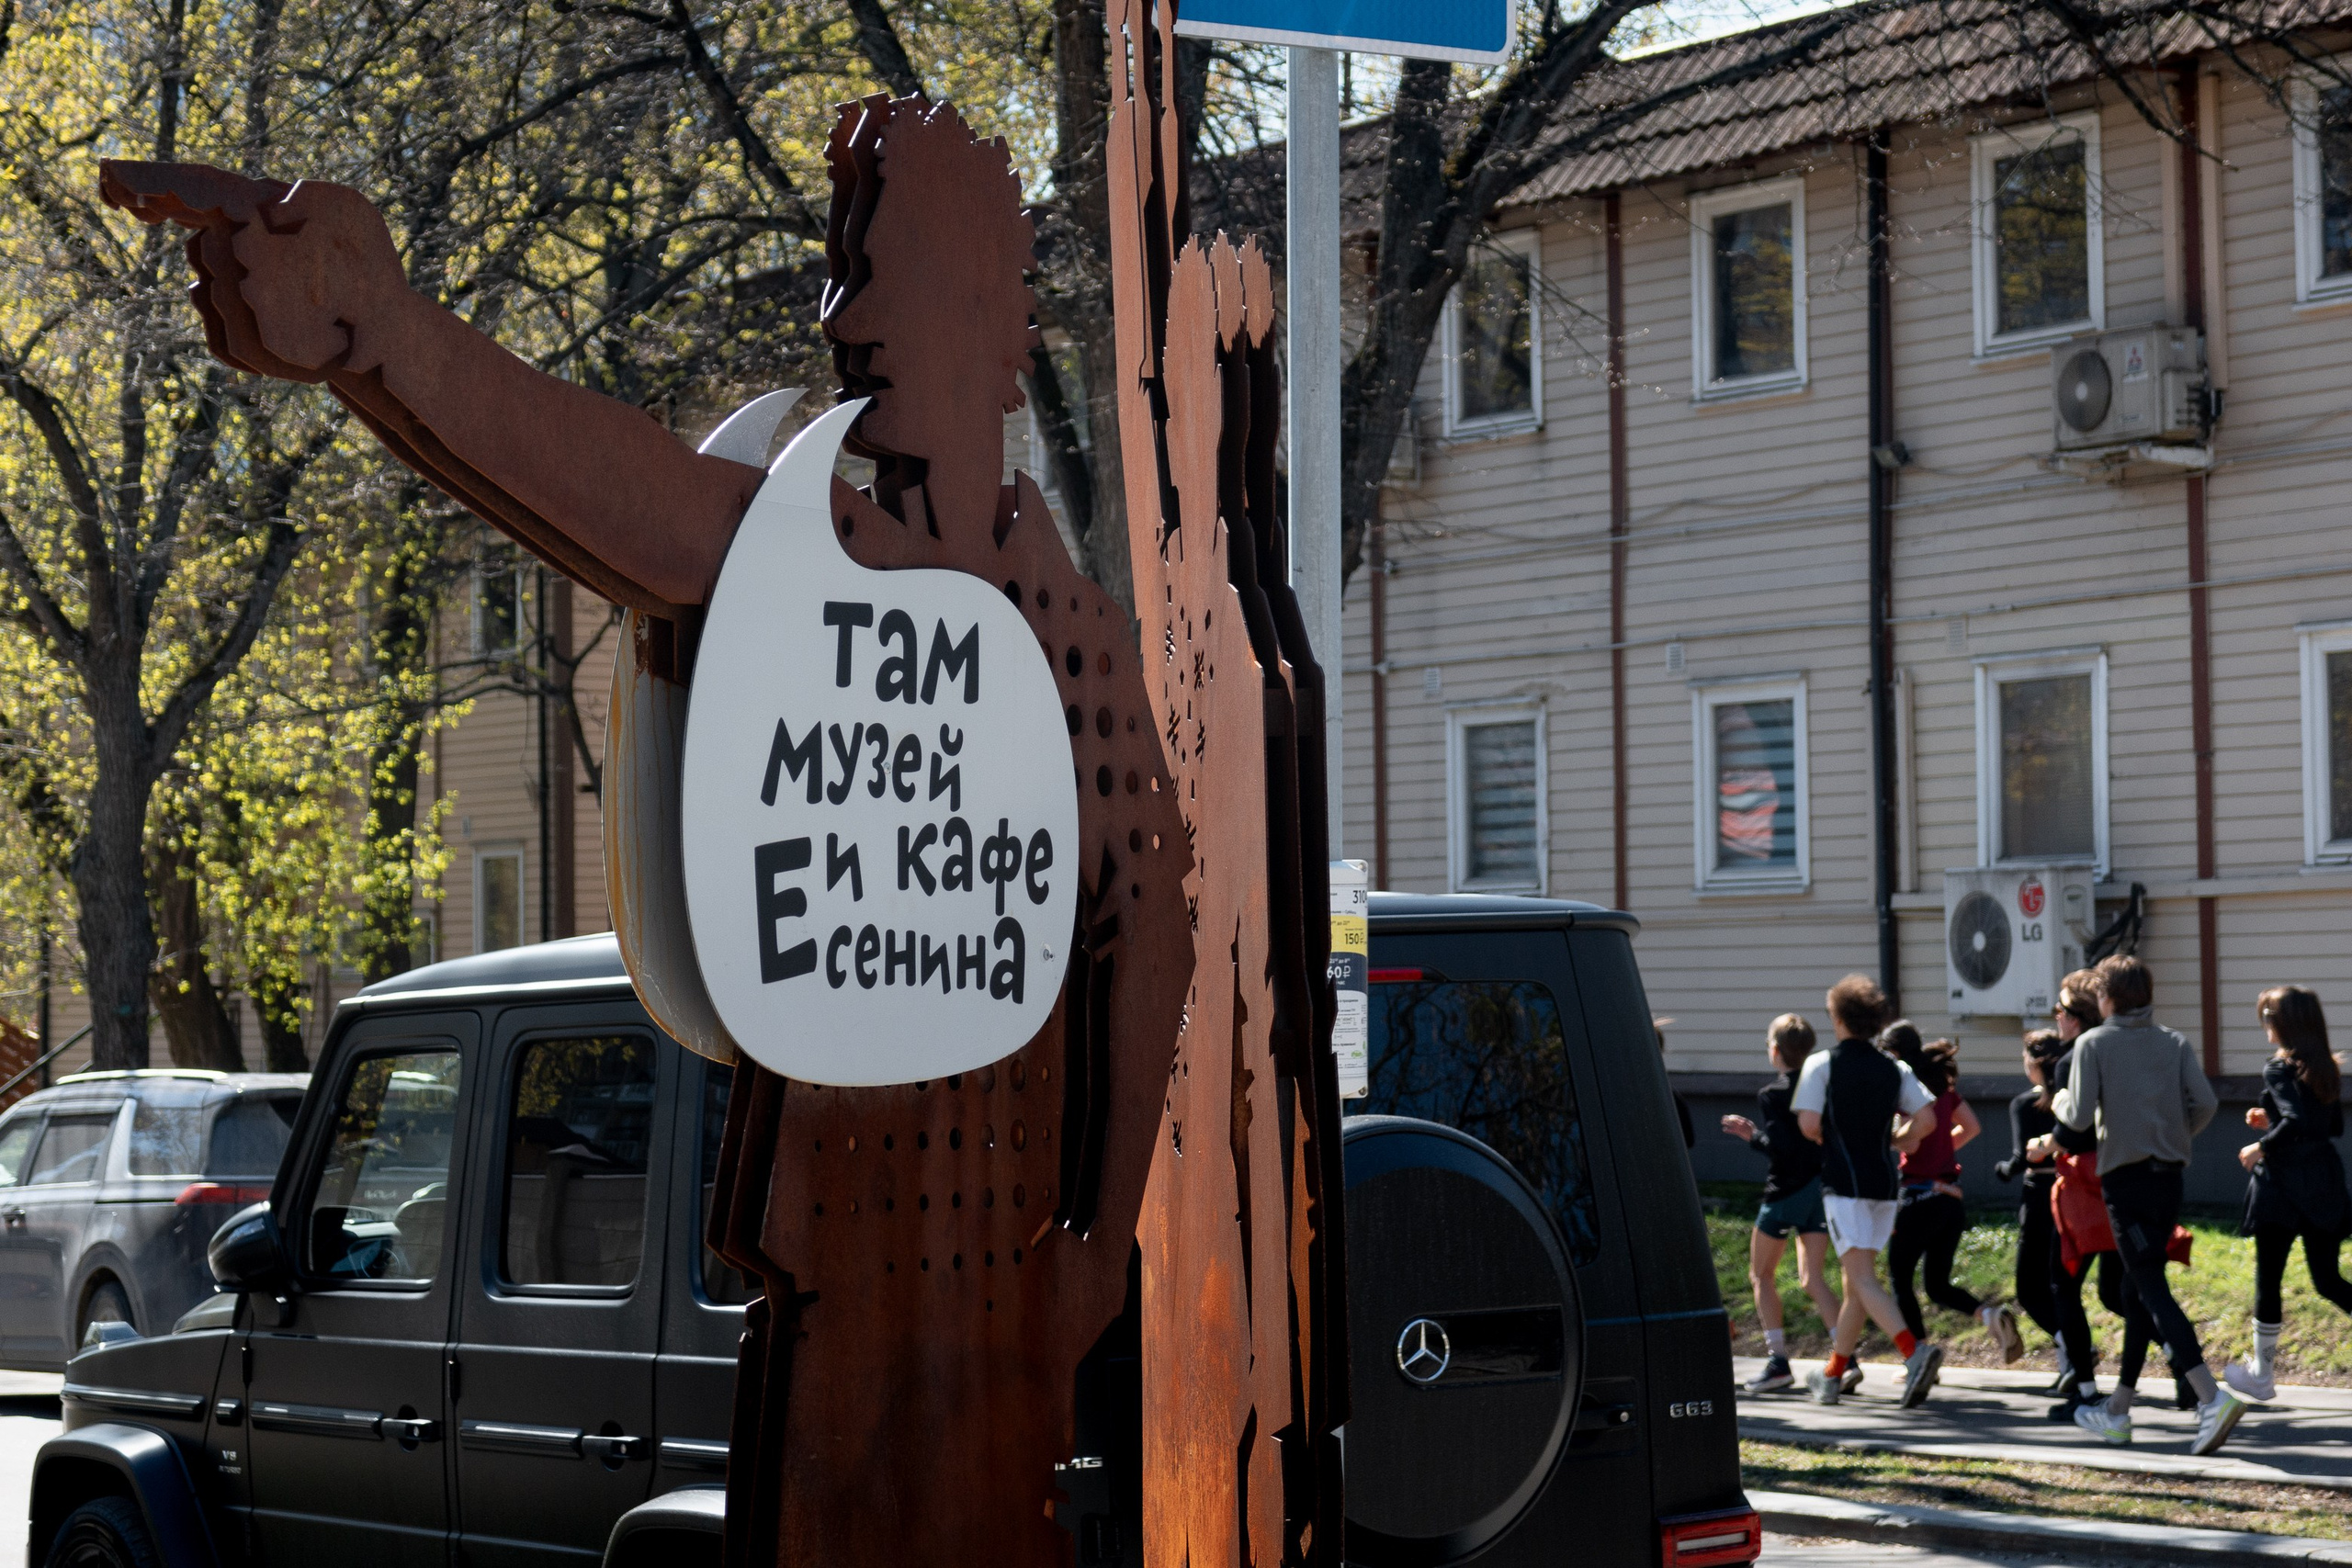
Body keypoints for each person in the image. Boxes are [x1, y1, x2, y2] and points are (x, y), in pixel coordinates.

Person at [2054, 955, 2242, 1455]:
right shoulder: (2173, 1041)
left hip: (2126, 1183)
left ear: (2106, 997)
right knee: (2135, 1290)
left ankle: (2210, 1398)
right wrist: (2174, 1136)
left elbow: (2076, 1118)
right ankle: (2117, 1411)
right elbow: (2206, 1104)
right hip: (2169, 1178)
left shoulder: (2094, 1043)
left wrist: (2057, 1100)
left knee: (2151, 1288)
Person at [1792, 974, 1944, 1407]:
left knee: (1859, 1277)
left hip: (1845, 1184)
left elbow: (1808, 1124)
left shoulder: (1822, 1064)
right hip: (1885, 1184)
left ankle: (1915, 1354)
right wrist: (1895, 1139)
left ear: (1838, 1018)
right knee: (1857, 1281)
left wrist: (1834, 1135)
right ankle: (1833, 1373)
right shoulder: (1894, 1067)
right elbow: (1927, 1121)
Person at [2225, 987, 2352, 1403]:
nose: (2265, 1024)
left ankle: (2261, 1376)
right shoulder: (2326, 1068)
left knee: (2269, 1279)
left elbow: (2297, 1120)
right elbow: (2329, 1127)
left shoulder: (2278, 1068)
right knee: (2328, 1280)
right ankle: (2260, 1375)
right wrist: (2274, 1120)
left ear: (2286, 1024)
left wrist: (2261, 1145)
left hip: (2281, 1188)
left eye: (2269, 1017)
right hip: (2322, 1183)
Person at [1878, 1022, 2022, 1360]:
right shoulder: (1942, 1086)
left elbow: (1911, 1145)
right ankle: (1989, 1315)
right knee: (1936, 1285)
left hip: (1918, 1197)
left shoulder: (1905, 1090)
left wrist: (1891, 1140)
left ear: (1894, 1053)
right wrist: (1943, 1149)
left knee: (1899, 1279)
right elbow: (1971, 1127)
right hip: (1949, 1199)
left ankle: (1919, 1355)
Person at [1722, 1013, 1843, 1393]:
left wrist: (1752, 1136)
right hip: (1819, 1189)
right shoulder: (1823, 1088)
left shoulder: (1772, 1094)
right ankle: (1845, 1358)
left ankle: (1778, 1362)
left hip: (1785, 1192)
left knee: (1761, 1275)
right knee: (1813, 1278)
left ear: (1775, 1050)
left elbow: (1781, 1147)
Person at [1994, 1029, 2070, 1383]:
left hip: (2038, 1195)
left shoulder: (2025, 1104)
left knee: (2028, 1288)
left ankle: (2071, 1345)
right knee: (2062, 1284)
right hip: (2070, 1192)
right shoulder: (2071, 1102)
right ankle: (2070, 1363)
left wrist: (2001, 1170)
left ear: (2034, 1063)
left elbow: (2020, 1158)